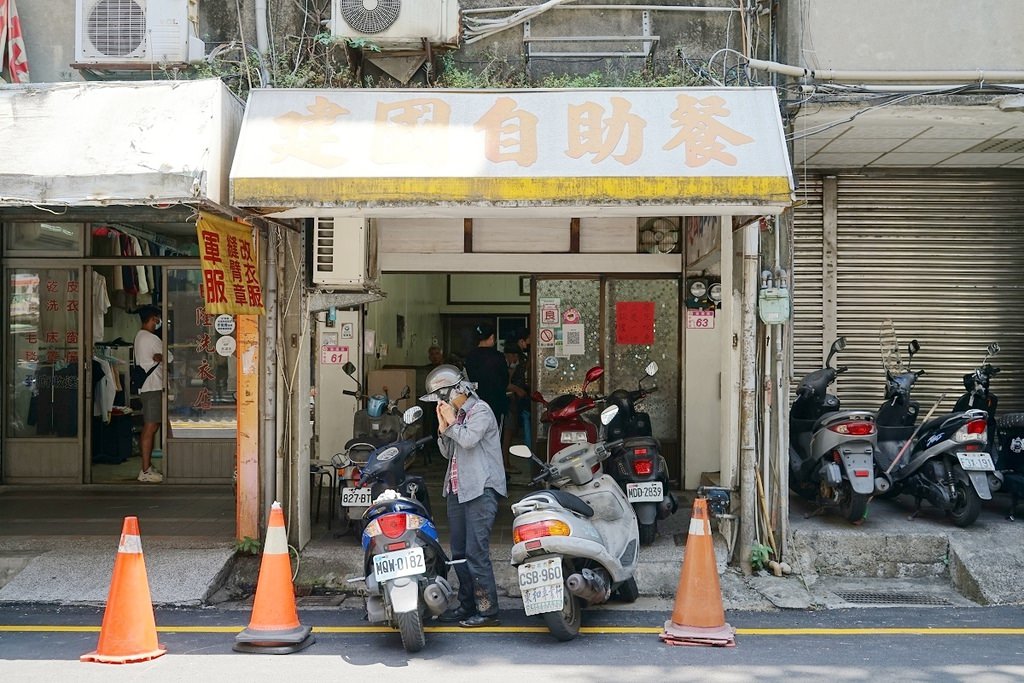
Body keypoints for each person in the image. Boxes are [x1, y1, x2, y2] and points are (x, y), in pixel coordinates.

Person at [420, 364, 506, 628]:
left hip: (481, 489)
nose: (442, 403)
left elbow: (468, 441)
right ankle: (467, 604)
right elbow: (448, 453)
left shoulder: (481, 411)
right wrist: (442, 425)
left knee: (475, 552)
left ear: (456, 390)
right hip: (457, 490)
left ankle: (487, 609)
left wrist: (451, 423)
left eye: (442, 397)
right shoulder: (456, 416)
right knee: (458, 552)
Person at [133, 305, 172, 483]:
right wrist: (163, 357)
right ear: (152, 319)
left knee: (152, 426)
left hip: (148, 387)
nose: (158, 323)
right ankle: (145, 470)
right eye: (157, 319)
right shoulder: (151, 338)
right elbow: (170, 357)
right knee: (150, 427)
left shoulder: (140, 336)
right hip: (153, 387)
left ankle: (147, 467)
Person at [464, 322, 509, 465]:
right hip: (496, 402)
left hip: (475, 404)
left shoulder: (470, 357)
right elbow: (505, 379)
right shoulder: (498, 357)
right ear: (491, 338)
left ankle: (479, 468)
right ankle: (494, 469)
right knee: (495, 438)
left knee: (476, 436)